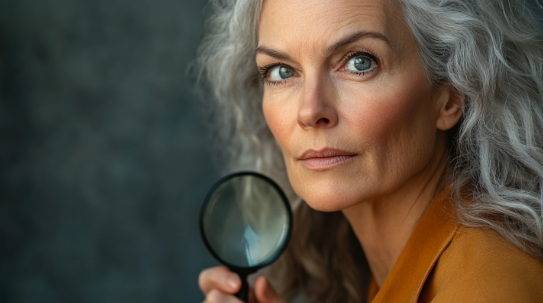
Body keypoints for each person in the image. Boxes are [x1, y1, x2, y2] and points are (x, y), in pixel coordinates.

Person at [196, 0, 543, 302]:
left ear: (451, 93)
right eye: (281, 71)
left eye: (359, 63)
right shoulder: (386, 273)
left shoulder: (486, 287)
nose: (309, 110)